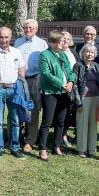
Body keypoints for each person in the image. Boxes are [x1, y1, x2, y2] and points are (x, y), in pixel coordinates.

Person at [0, 27, 25, 159]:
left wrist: (21, 89)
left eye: (6, 37)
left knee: (15, 120)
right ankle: (0, 147)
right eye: (1, 37)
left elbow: (21, 71)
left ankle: (15, 147)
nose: (4, 40)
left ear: (10, 37)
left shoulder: (16, 52)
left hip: (13, 89)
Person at [38, 30, 76, 161]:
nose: (63, 43)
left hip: (64, 93)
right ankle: (42, 149)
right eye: (60, 41)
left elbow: (70, 71)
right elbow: (46, 74)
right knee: (47, 122)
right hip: (51, 92)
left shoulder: (63, 55)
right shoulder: (44, 55)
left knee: (61, 121)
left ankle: (57, 146)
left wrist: (71, 81)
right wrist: (61, 84)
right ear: (52, 42)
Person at [13, 19, 48, 153]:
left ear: (36, 29)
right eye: (26, 27)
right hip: (19, 79)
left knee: (33, 109)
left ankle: (30, 140)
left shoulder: (42, 44)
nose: (28, 30)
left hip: (35, 78)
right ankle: (16, 137)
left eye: (31, 28)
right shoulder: (18, 42)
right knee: (18, 107)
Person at [72, 43, 99, 158]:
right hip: (83, 98)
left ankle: (91, 149)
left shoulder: (96, 66)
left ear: (94, 54)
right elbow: (74, 85)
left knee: (93, 124)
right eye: (87, 52)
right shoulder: (78, 65)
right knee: (82, 123)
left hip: (96, 97)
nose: (89, 54)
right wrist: (78, 101)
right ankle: (81, 149)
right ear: (83, 53)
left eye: (91, 52)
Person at [60, 31, 80, 148]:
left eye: (68, 38)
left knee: (69, 113)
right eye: (63, 38)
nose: (66, 40)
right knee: (60, 113)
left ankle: (64, 135)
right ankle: (60, 136)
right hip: (61, 86)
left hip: (73, 87)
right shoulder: (56, 53)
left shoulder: (74, 53)